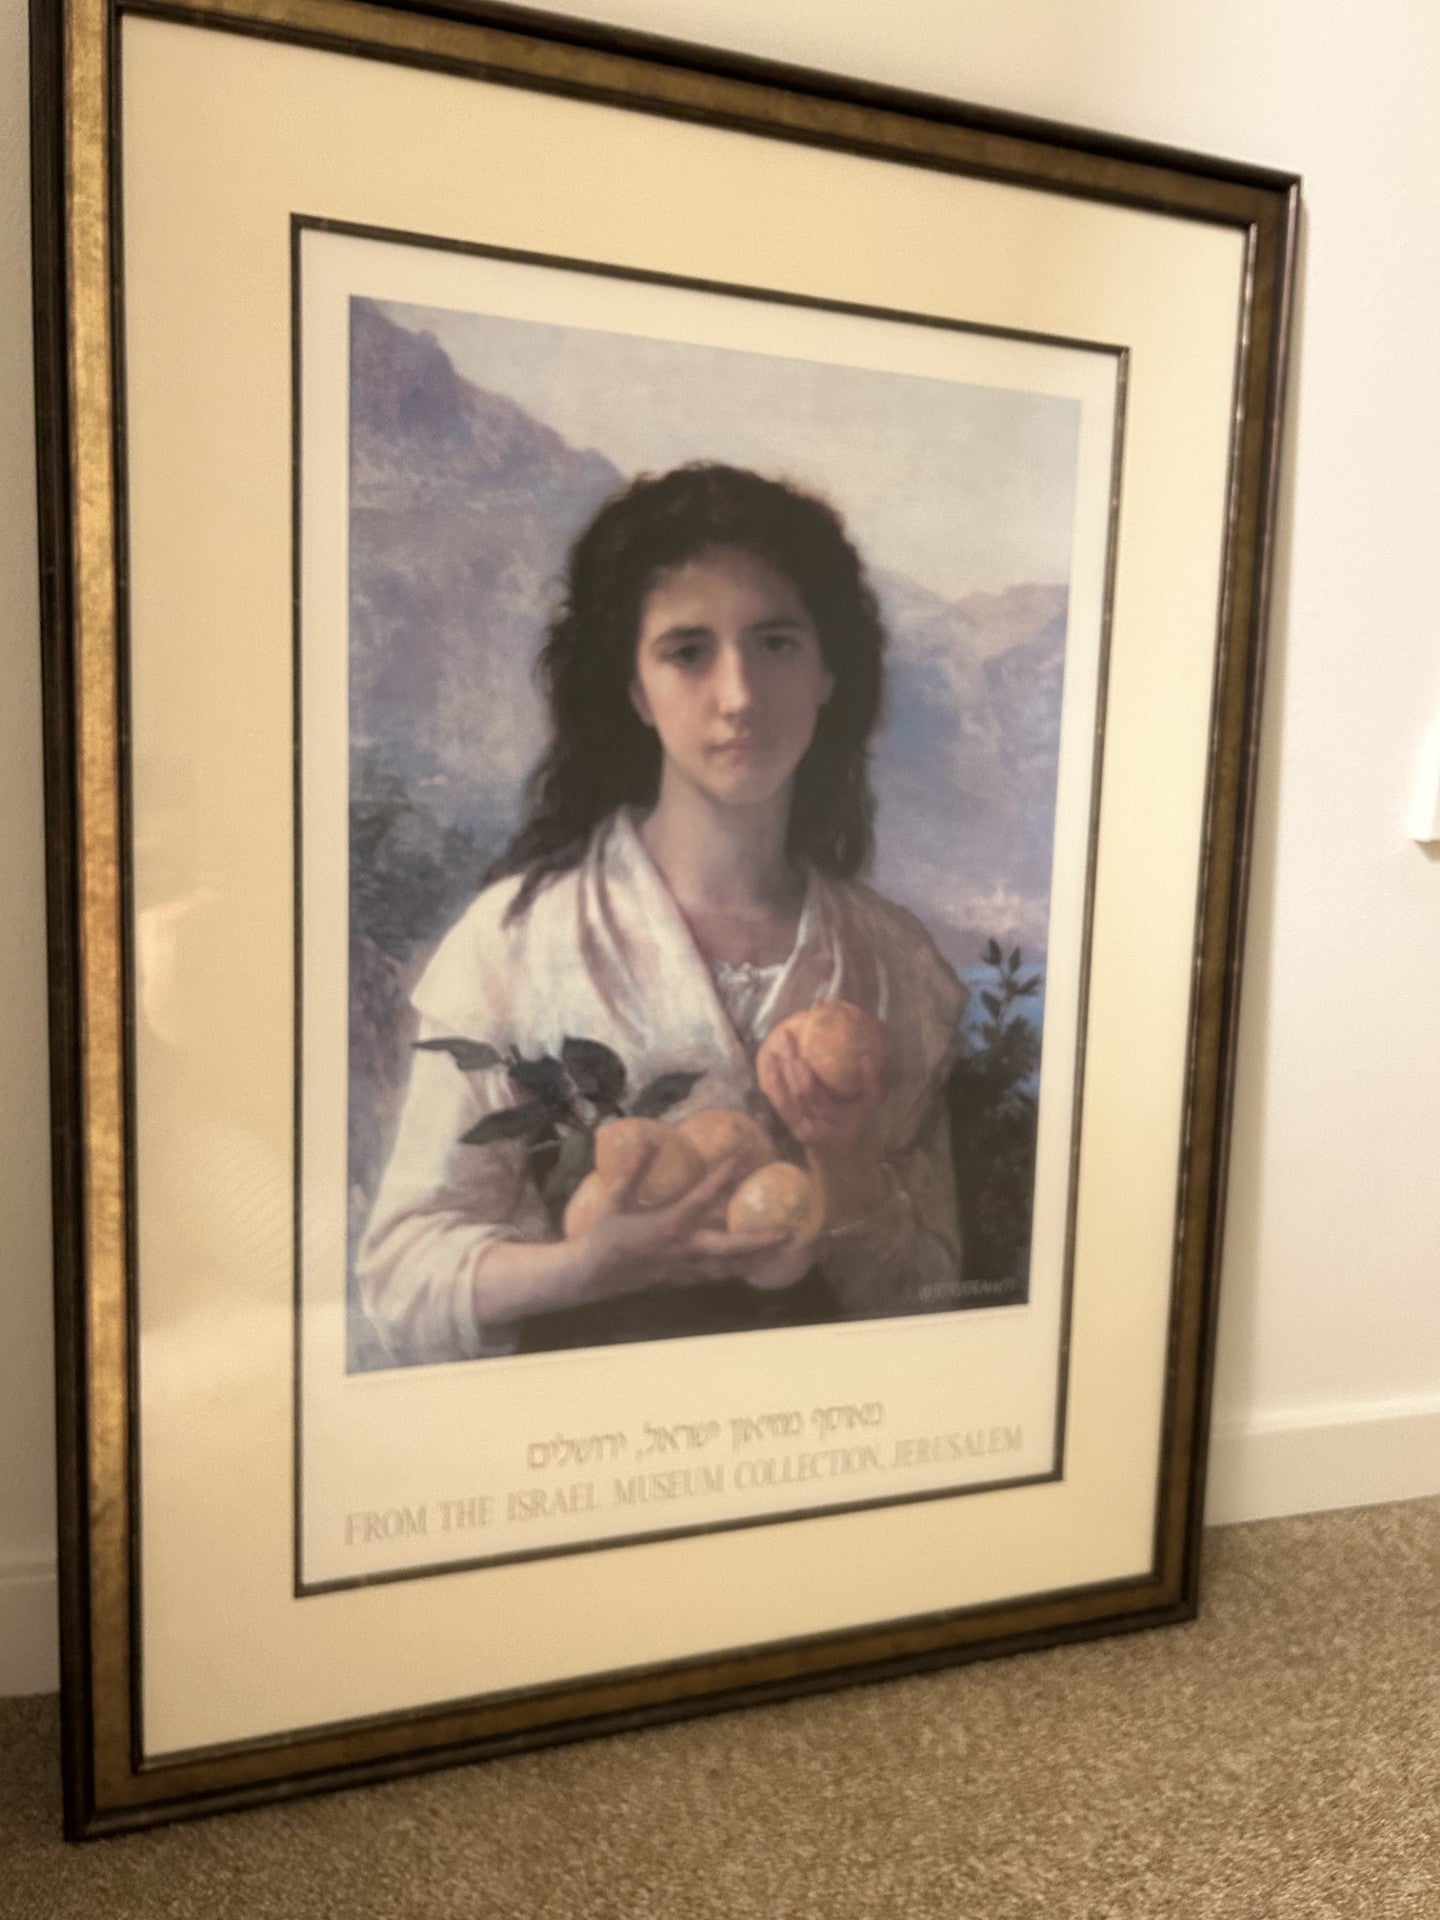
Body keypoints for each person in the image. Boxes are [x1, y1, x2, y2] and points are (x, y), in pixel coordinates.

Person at [357, 463, 967, 1363]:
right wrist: (584, 1267)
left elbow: (934, 1297)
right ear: (636, 689)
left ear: (830, 669)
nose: (739, 697)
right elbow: (400, 1278)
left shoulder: (896, 965)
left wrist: (843, 1167)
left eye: (776, 644)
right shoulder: (517, 941)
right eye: (688, 651)